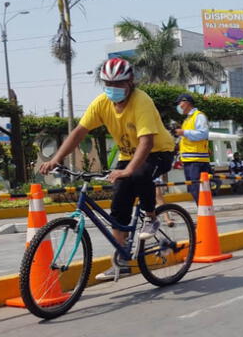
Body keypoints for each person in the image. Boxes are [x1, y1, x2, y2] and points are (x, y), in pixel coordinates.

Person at [39, 58, 175, 280]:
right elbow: (78, 133)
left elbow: (147, 143)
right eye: (108, 84)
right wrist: (56, 158)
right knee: (119, 206)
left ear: (130, 82)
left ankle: (151, 218)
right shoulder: (101, 103)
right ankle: (120, 261)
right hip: (128, 155)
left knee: (140, 174)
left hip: (159, 152)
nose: (114, 89)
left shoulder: (142, 102)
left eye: (119, 84)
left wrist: (129, 170)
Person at [174, 93, 210, 205]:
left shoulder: (199, 116)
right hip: (189, 159)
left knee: (198, 190)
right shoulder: (187, 119)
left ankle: (204, 216)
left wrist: (184, 132)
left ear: (187, 102)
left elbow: (203, 134)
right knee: (194, 190)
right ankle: (202, 215)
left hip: (197, 160)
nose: (178, 106)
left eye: (179, 103)